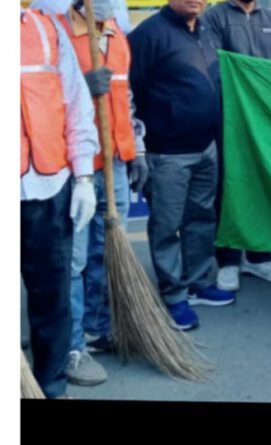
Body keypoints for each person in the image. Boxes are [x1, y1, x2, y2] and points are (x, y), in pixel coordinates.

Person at [54, 0, 148, 386]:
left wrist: (138, 147)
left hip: (116, 161)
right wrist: (78, 85)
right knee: (74, 259)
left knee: (106, 249)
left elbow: (126, 99)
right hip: (76, 166)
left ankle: (98, 326)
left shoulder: (116, 35)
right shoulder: (58, 34)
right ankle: (71, 344)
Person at [129, 0, 235, 331]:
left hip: (206, 148)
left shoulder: (205, 31)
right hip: (167, 153)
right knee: (167, 226)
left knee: (202, 218)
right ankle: (173, 294)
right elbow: (130, 91)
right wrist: (139, 146)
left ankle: (198, 282)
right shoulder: (148, 35)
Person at [21, 6, 98, 398]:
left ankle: (50, 386)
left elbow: (76, 105)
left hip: (49, 186)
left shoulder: (47, 27)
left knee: (52, 297)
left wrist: (84, 177)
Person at [203, 0, 271, 292]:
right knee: (227, 187)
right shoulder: (214, 17)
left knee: (262, 185)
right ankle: (228, 260)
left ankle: (259, 257)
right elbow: (216, 66)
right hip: (229, 116)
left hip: (264, 119)